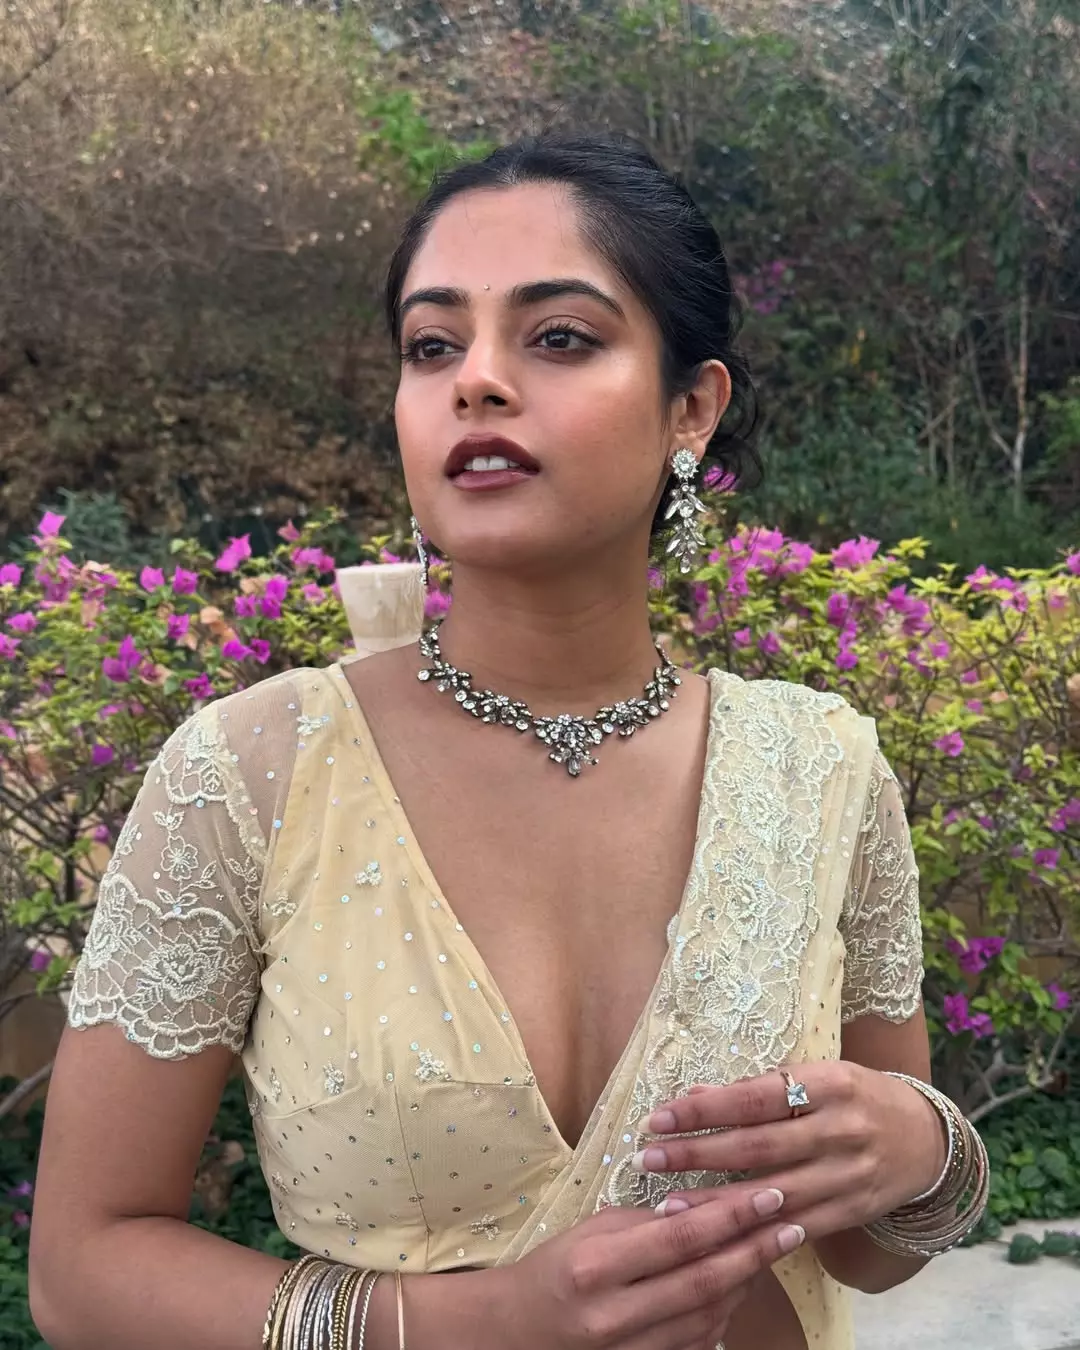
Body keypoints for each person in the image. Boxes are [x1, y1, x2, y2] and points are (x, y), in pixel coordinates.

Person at [29, 132, 987, 1350]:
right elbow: (81, 1270)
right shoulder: (252, 771)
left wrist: (925, 1148)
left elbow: (868, 1252)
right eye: (433, 346)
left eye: (559, 337)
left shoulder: (821, 770)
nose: (476, 381)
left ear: (691, 408)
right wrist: (480, 1321)